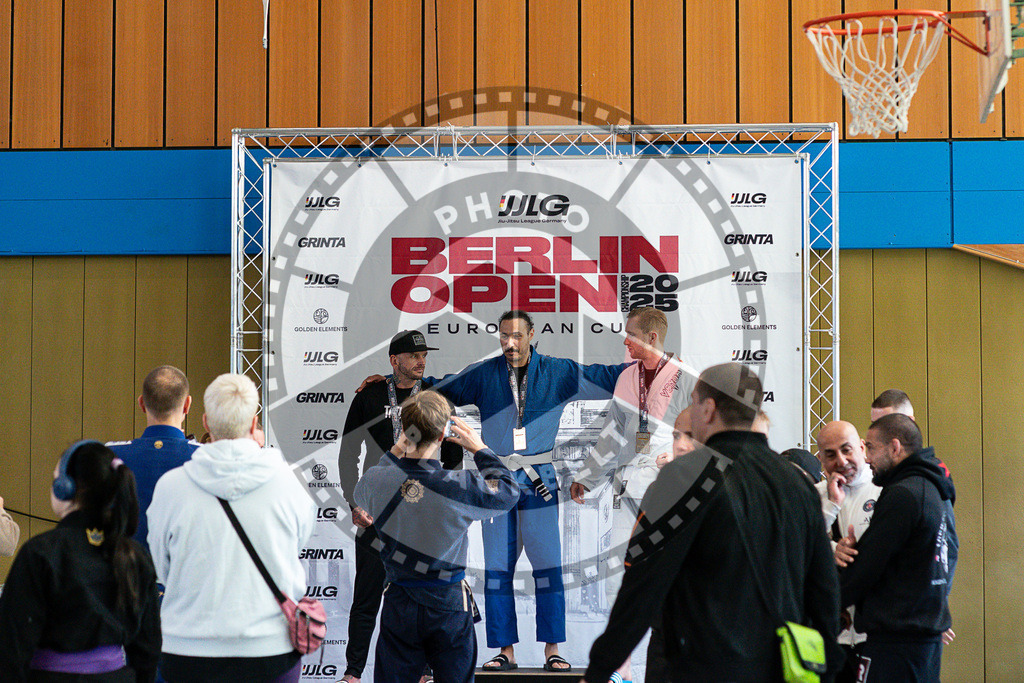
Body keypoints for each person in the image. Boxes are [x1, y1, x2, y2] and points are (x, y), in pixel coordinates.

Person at [581, 362, 842, 682]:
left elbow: (644, 584)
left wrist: (600, 669)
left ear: (708, 409)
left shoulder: (685, 474)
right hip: (781, 669)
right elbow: (824, 589)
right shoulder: (796, 483)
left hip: (703, 667)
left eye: (693, 402)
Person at [422, 310, 627, 671]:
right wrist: (397, 382)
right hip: (497, 479)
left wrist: (651, 368)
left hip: (539, 480)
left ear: (531, 334)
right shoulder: (485, 374)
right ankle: (505, 651)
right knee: (498, 569)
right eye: (503, 336)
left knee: (548, 566)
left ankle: (552, 650)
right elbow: (440, 386)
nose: (509, 344)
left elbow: (607, 376)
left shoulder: (557, 372)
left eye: (516, 336)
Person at [147, 373, 316, 683]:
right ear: (254, 424)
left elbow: (161, 568)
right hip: (270, 651)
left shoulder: (171, 487)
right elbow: (297, 546)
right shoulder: (290, 484)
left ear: (206, 422)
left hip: (187, 650)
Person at [354, 390, 519, 683]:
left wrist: (398, 447)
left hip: (399, 603)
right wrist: (480, 449)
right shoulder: (459, 485)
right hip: (448, 605)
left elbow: (369, 483)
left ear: (405, 431)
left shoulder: (376, 481)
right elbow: (507, 491)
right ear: (444, 434)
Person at [569, 307, 694, 682]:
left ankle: (679, 666)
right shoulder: (626, 379)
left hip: (672, 490)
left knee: (678, 578)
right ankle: (618, 671)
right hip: (628, 490)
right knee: (617, 579)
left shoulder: (690, 379)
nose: (625, 341)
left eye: (630, 335)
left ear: (651, 337)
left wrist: (677, 453)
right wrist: (587, 476)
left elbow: (704, 432)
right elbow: (611, 433)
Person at [338, 330, 463, 683]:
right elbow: (348, 455)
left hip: (423, 515)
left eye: (424, 354)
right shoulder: (371, 394)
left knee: (421, 595)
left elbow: (453, 455)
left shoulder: (436, 398)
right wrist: (354, 501)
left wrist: (446, 504)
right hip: (377, 510)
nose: (421, 360)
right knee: (367, 595)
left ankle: (424, 671)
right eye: (413, 355)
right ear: (395, 360)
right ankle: (353, 673)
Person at [0, 440, 161, 681]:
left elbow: (11, 650)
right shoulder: (135, 556)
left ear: (66, 487)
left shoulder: (40, 553)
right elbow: (147, 650)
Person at [837, 413, 957, 682]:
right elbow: (949, 548)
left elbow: (867, 566)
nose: (867, 458)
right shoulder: (932, 487)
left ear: (894, 447)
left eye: (870, 447)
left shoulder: (903, 494)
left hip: (897, 645)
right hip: (919, 639)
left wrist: (824, 604)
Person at [814, 420, 881, 682]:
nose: (841, 461)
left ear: (862, 447)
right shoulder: (813, 495)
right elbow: (798, 545)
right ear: (820, 459)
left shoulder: (886, 490)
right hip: (831, 635)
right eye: (830, 455)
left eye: (847, 450)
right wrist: (830, 548)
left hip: (874, 633)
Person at [107, 365, 200, 552]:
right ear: (187, 405)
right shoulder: (206, 458)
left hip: (127, 576)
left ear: (141, 403)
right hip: (183, 578)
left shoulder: (110, 455)